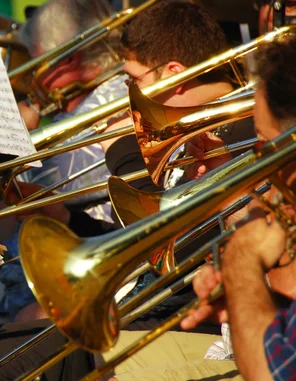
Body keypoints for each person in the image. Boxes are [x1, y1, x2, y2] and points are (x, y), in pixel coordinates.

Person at [0, 0, 247, 381]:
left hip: (177, 313)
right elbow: (146, 236)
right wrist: (68, 218)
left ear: (175, 73)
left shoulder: (237, 133)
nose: (127, 90)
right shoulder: (191, 128)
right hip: (143, 300)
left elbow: (171, 242)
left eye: (134, 79)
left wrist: (123, 153)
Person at [0, 0, 128, 374]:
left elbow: (27, 200)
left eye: (36, 57)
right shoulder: (105, 95)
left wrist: (6, 127)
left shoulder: (84, 123)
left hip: (84, 269)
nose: (30, 72)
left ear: (69, 59)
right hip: (68, 250)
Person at [98, 33, 296, 381]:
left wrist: (242, 264)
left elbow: (273, 370)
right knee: (94, 359)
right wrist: (227, 190)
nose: (256, 156)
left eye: (264, 144)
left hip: (268, 360)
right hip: (250, 341)